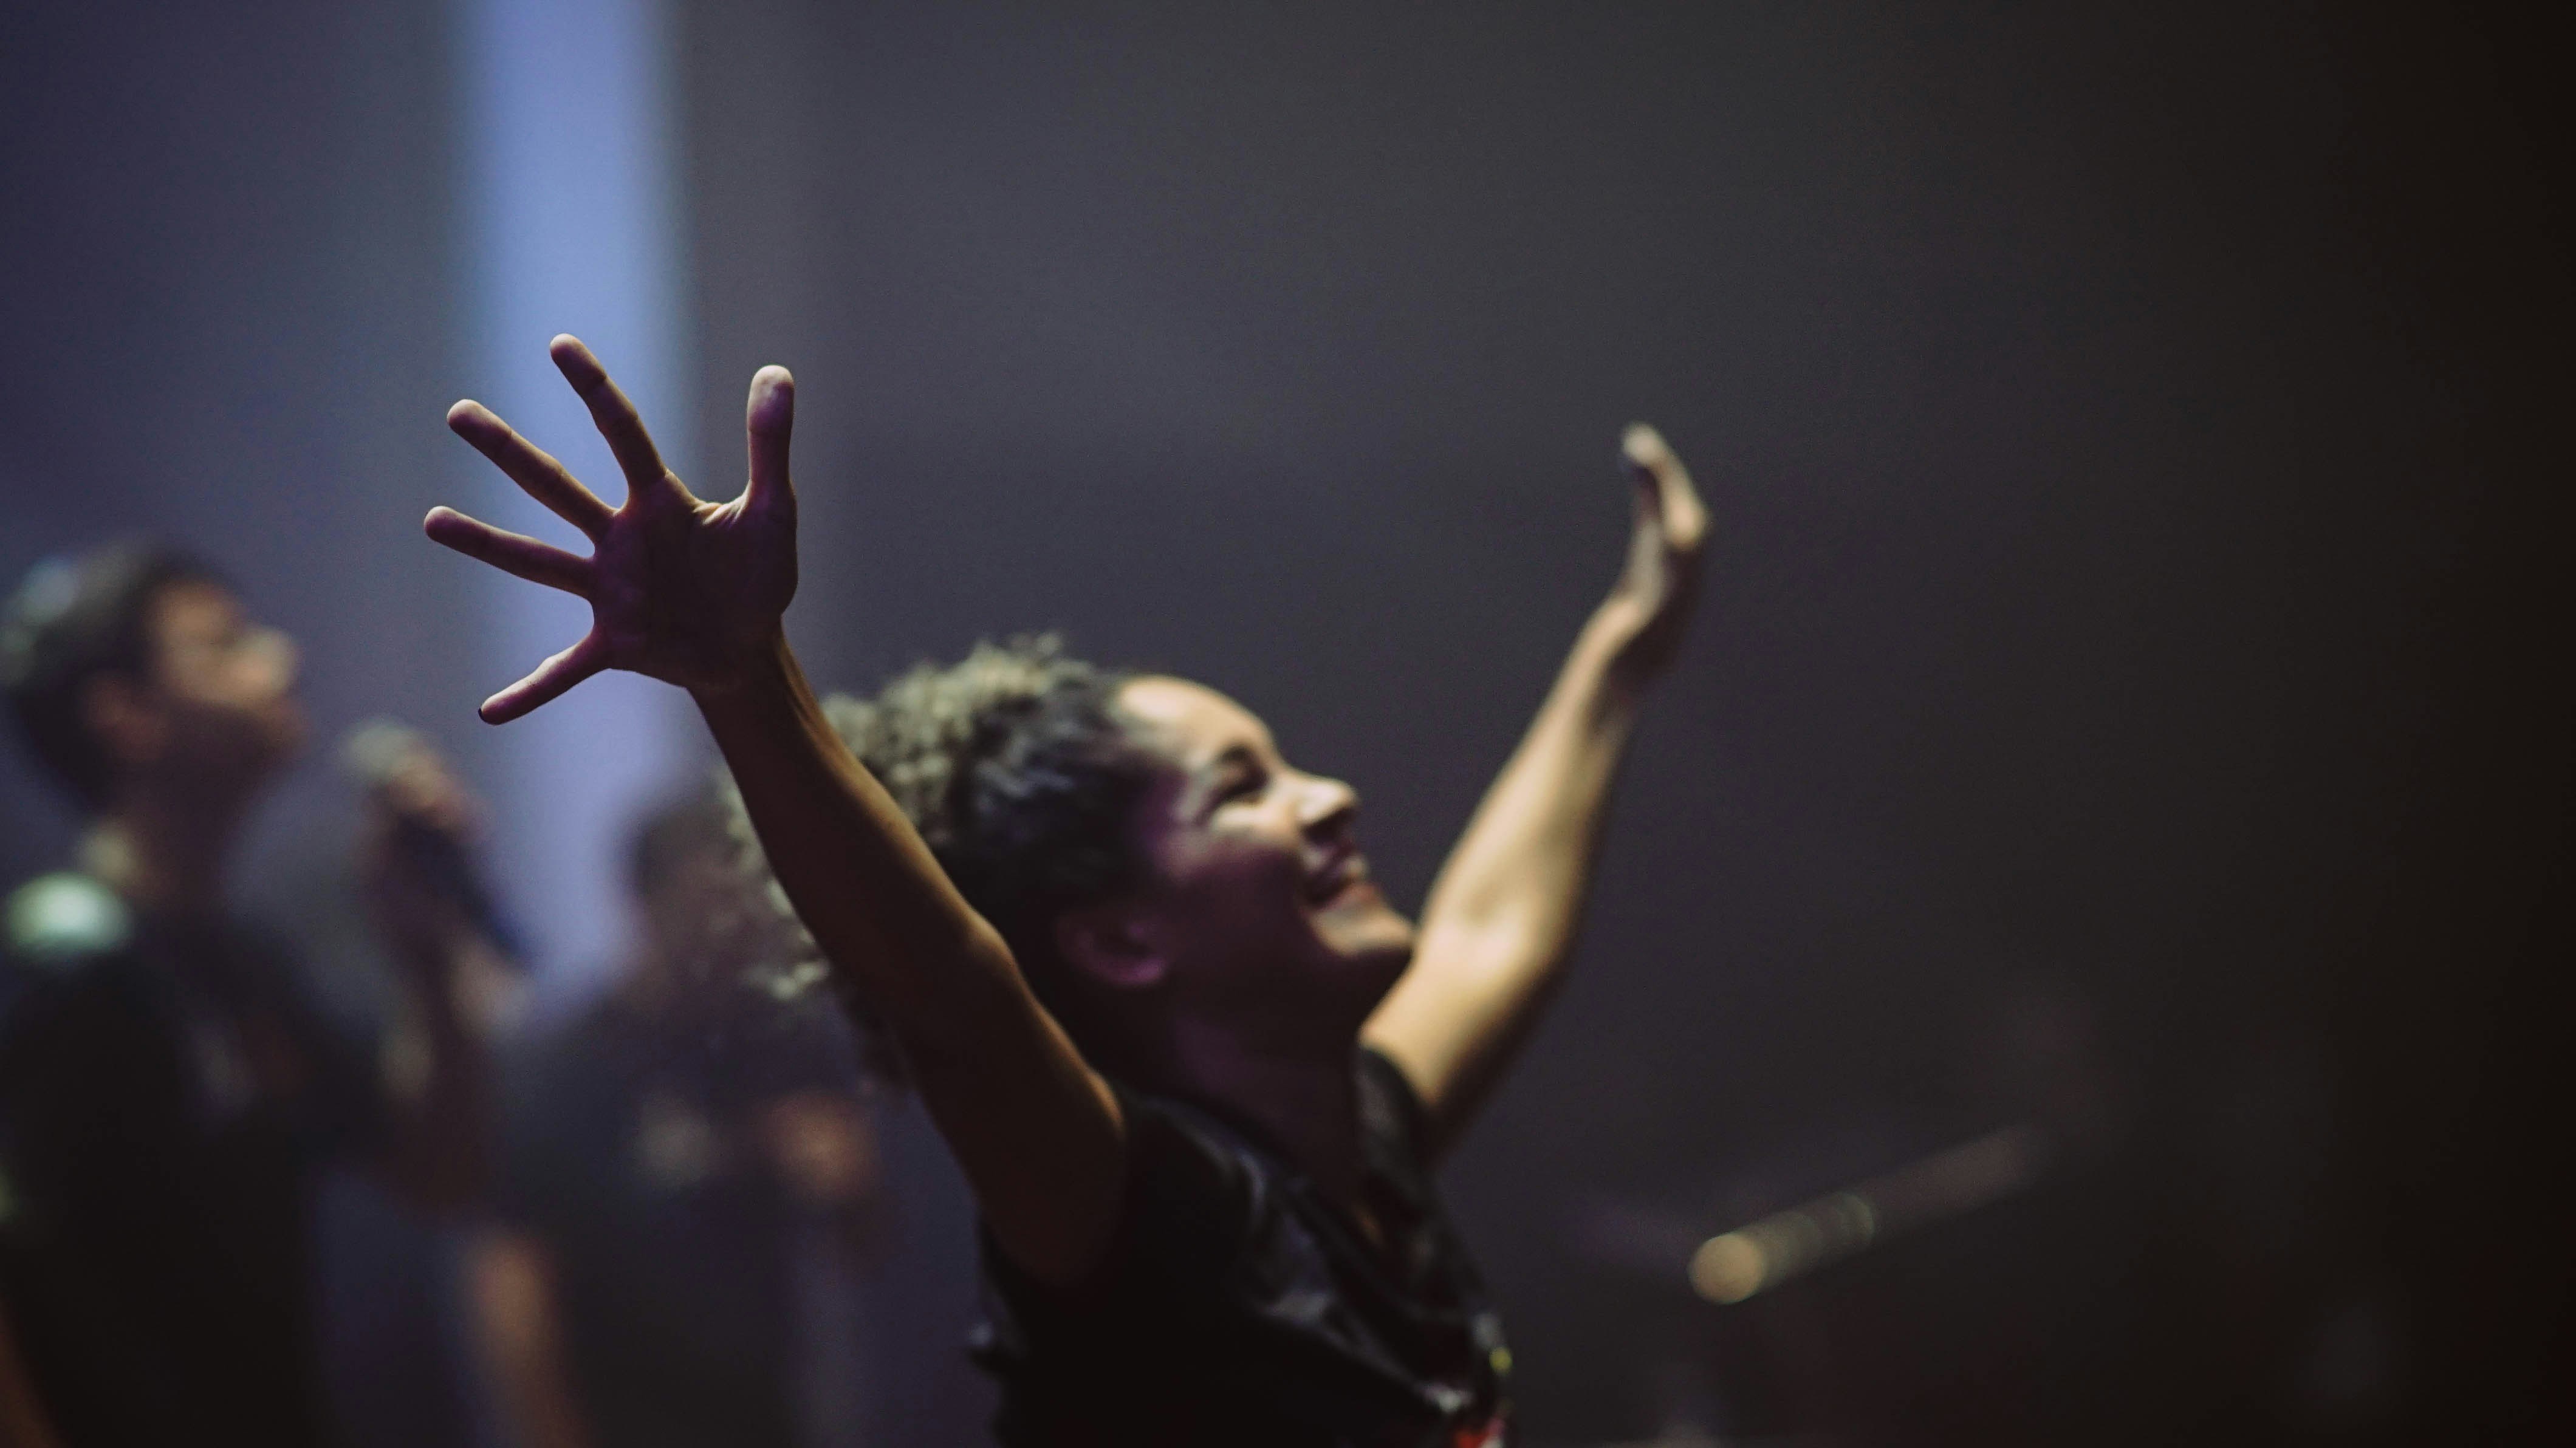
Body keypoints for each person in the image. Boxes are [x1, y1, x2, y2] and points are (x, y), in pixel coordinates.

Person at [425, 336, 1705, 1444]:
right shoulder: (1141, 1215)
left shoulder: (1355, 1140)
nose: (1328, 800)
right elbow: (954, 1001)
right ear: (1121, 937)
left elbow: (1493, 930)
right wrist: (743, 680)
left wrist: (1618, 652)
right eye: (1241, 788)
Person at [0, 544, 505, 1446]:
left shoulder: (243, 962)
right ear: (125, 716)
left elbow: (438, 1174)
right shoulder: (64, 966)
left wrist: (429, 965)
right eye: (224, 644)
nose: (280, 659)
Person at [467, 790, 889, 1448]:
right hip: (621, 1420)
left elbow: (864, 1249)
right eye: (706, 909)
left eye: (742, 909)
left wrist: (846, 1181)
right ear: (645, 903)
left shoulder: (782, 1043)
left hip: (769, 1417)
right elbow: (515, 1287)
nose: (729, 932)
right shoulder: (565, 1068)